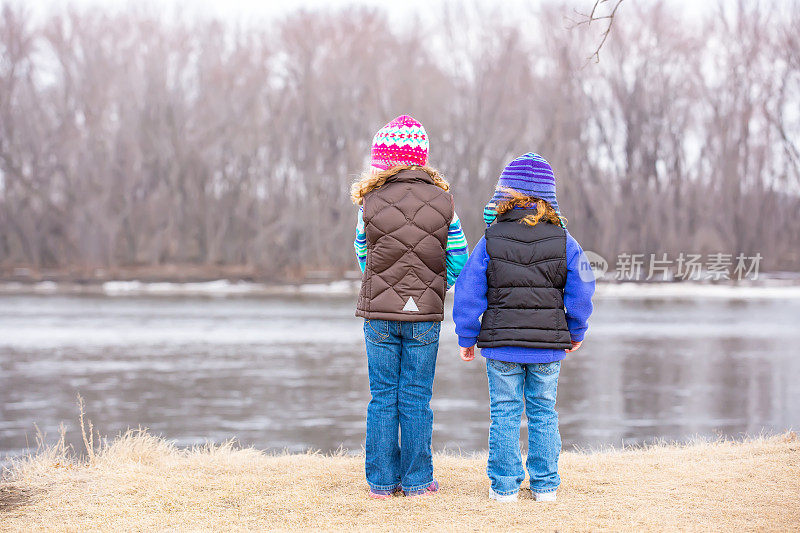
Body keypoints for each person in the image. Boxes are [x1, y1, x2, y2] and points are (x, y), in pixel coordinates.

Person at [453, 152, 595, 502]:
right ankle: (545, 485)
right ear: (549, 199)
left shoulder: (491, 239)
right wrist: (576, 330)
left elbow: (469, 290)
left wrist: (467, 336)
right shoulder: (565, 241)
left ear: (505, 197)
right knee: (543, 411)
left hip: (501, 345)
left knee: (505, 412)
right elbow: (583, 288)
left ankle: (504, 487)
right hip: (548, 347)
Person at [351, 115, 468, 498]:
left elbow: (362, 253)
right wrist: (437, 286)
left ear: (382, 161)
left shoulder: (368, 202)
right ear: (422, 159)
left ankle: (382, 483)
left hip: (378, 315)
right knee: (416, 397)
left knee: (383, 396)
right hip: (425, 316)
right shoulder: (444, 203)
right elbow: (459, 260)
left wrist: (381, 284)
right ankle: (418, 481)